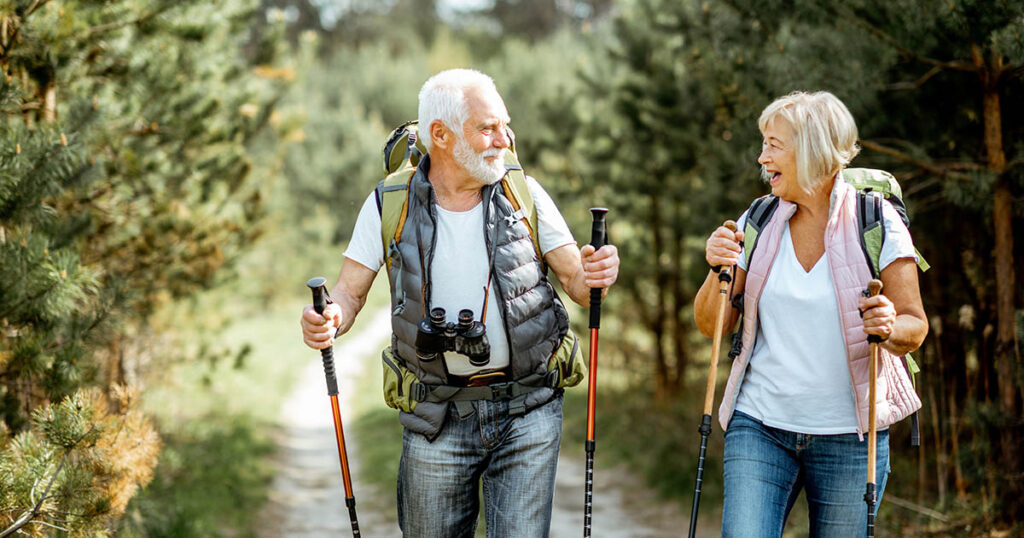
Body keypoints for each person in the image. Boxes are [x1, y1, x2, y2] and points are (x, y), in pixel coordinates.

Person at [300, 68, 619, 538]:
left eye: (505, 125)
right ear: (440, 135)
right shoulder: (390, 202)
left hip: (528, 408)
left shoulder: (522, 191)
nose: (504, 140)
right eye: (488, 127)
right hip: (435, 413)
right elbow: (348, 293)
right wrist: (329, 318)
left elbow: (576, 279)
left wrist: (598, 272)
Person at [694, 91, 928, 536]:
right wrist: (716, 270)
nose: (762, 157)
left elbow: (914, 325)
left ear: (813, 149)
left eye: (773, 144)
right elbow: (712, 323)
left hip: (850, 437)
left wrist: (888, 325)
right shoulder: (758, 219)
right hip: (760, 425)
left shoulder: (874, 219)